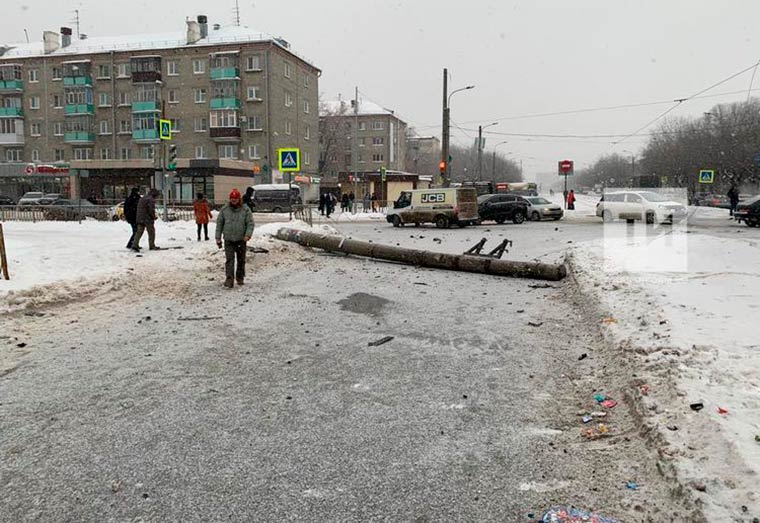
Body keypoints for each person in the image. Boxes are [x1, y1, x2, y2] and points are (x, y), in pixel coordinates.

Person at [215, 188, 254, 288]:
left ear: (239, 199)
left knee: (241, 260)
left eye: (235, 199)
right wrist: (218, 237)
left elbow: (250, 223)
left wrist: (247, 235)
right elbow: (219, 224)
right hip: (228, 239)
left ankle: (240, 277)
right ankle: (229, 279)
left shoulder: (245, 210)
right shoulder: (224, 210)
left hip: (241, 239)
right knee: (229, 260)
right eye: (232, 199)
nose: (233, 201)